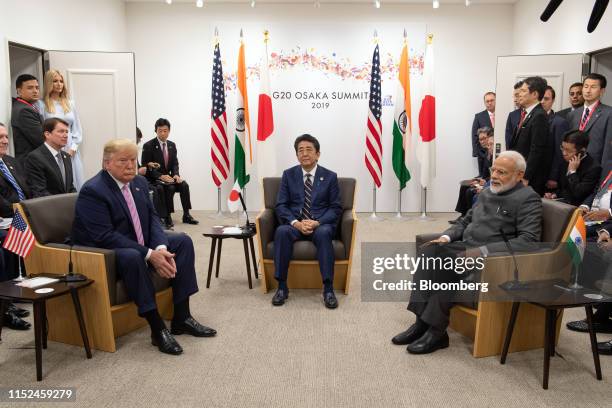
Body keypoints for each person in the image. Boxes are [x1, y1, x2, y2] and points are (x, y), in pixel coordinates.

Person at [71, 139, 216, 355]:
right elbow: (104, 236)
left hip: (135, 241)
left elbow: (152, 219)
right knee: (132, 256)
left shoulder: (139, 183)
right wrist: (149, 254)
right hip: (103, 252)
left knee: (182, 241)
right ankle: (157, 329)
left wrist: (159, 247)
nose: (130, 165)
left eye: (132, 160)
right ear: (106, 163)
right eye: (123, 161)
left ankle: (182, 317)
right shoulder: (94, 190)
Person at [392, 151, 542, 354]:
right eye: (493, 170)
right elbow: (465, 220)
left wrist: (481, 252)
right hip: (466, 247)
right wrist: (446, 237)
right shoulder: (489, 192)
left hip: (493, 259)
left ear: (519, 174)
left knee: (446, 269)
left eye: (502, 172)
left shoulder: (528, 199)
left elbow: (528, 241)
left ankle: (436, 331)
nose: (495, 175)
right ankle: (421, 322)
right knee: (429, 254)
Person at [272, 134, 342, 309]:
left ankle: (328, 289)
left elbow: (335, 208)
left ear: (318, 154)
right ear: (297, 155)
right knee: (281, 231)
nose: (304, 154)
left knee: (325, 233)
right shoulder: (289, 175)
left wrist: (317, 222)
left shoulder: (330, 176)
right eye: (300, 150)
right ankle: (281, 287)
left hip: (319, 225)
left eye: (309, 149)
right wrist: (295, 222)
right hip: (296, 224)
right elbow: (281, 205)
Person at [0, 122, 31, 331]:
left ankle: (12, 297)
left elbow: (26, 188)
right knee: (6, 239)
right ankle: (5, 306)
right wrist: (18, 211)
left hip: (20, 214)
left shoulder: (11, 161)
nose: (4, 141)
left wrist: (32, 210)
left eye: (5, 137)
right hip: (5, 217)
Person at [141, 118, 198, 228]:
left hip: (169, 178)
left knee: (184, 185)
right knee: (168, 188)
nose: (163, 133)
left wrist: (176, 174)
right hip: (155, 179)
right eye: (160, 130)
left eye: (165, 130)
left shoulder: (172, 145)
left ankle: (186, 214)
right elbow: (145, 167)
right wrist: (161, 176)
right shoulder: (148, 145)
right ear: (155, 131)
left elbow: (175, 163)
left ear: (169, 131)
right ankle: (167, 216)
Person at [36, 70, 85, 190]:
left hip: (70, 150)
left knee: (75, 182)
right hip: (53, 150)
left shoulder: (70, 103)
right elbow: (42, 130)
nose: (59, 84)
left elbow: (77, 129)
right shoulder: (41, 105)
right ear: (48, 83)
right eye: (55, 81)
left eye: (61, 81)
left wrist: (72, 149)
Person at [508, 76, 552, 196]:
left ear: (534, 94)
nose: (519, 95)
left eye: (523, 91)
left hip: (531, 177)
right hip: (519, 171)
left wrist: (526, 176)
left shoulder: (539, 116)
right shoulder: (528, 114)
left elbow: (536, 149)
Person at [544, 130, 600, 205]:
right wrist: (554, 195)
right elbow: (563, 188)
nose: (564, 153)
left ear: (582, 151)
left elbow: (578, 194)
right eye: (562, 148)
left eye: (568, 150)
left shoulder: (593, 168)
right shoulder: (565, 160)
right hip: (561, 203)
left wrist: (572, 172)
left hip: (577, 207)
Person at [25, 118, 76, 197]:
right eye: (61, 131)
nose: (66, 135)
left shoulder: (66, 157)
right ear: (47, 134)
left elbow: (70, 187)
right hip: (49, 207)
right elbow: (39, 191)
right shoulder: (35, 158)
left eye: (67, 132)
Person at [568, 73, 612, 166]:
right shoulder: (572, 114)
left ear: (602, 91)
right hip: (573, 165)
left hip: (594, 167)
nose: (588, 90)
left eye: (593, 87)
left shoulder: (608, 113)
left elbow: (608, 148)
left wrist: (603, 171)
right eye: (586, 86)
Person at [452, 128, 494, 222]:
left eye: (484, 138)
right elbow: (485, 173)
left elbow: (493, 175)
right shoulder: (487, 152)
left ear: (490, 137)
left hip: (489, 183)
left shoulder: (494, 153)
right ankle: (463, 215)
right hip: (486, 180)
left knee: (470, 191)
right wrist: (479, 180)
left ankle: (468, 217)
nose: (482, 141)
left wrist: (485, 181)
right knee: (464, 185)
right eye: (480, 139)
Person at [136, 127, 170, 229]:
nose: (139, 142)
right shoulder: (146, 146)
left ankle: (163, 218)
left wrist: (148, 165)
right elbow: (135, 170)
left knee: (159, 188)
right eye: (138, 139)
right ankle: (159, 220)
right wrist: (139, 171)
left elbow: (140, 166)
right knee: (155, 189)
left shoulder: (133, 151)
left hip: (140, 178)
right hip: (135, 180)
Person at [541, 86, 570, 191]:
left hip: (548, 176)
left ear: (552, 101)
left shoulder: (559, 122)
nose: (542, 101)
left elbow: (560, 152)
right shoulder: (531, 119)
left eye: (546, 98)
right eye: (541, 98)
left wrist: (553, 177)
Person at [11, 74, 43, 160]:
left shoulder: (25, 106)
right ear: (19, 91)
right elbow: (41, 139)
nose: (35, 91)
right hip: (30, 162)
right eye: (30, 88)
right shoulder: (24, 110)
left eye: (37, 87)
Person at [471, 92, 495, 177]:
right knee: (484, 178)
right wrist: (478, 153)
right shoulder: (479, 116)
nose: (489, 103)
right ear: (484, 102)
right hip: (484, 154)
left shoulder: (502, 114)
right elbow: (475, 137)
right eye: (487, 101)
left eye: (492, 100)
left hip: (499, 153)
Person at [505, 82, 523, 148]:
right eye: (514, 96)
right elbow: (508, 140)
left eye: (517, 95)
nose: (515, 100)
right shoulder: (512, 115)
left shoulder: (536, 114)